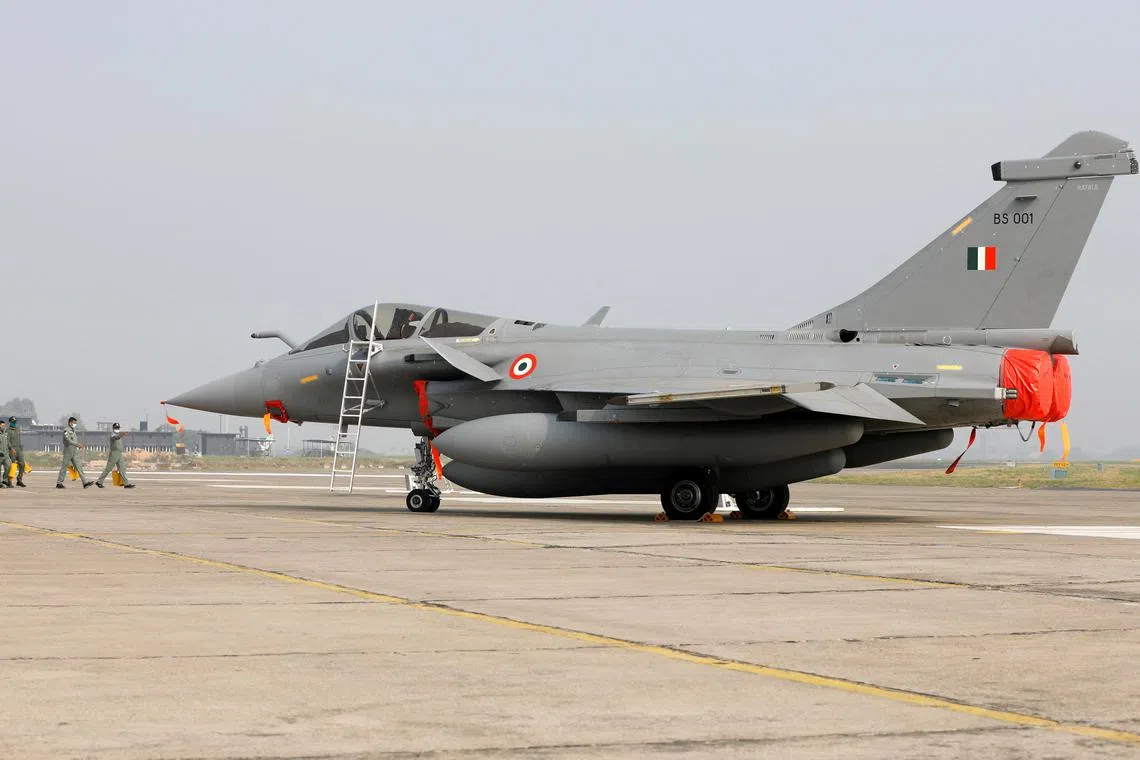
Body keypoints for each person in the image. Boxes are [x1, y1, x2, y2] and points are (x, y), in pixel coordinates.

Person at [56, 417, 93, 489]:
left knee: (79, 467)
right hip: (68, 451)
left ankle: (85, 482)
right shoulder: (66, 430)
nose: (75, 424)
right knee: (64, 467)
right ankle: (59, 483)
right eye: (74, 423)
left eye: (75, 423)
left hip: (74, 451)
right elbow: (68, 440)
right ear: (70, 423)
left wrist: (77, 445)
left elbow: (74, 440)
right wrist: (77, 444)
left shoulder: (73, 431)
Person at [96, 423, 135, 489]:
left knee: (122, 469)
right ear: (113, 428)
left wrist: (121, 435)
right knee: (108, 469)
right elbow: (116, 438)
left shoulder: (118, 434)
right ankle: (99, 482)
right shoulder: (113, 434)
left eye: (118, 428)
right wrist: (121, 435)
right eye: (116, 428)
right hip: (114, 454)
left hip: (119, 454)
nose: (117, 429)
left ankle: (126, 484)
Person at [8, 417, 26, 487]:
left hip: (19, 449)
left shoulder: (17, 430)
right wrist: (11, 448)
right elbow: (7, 441)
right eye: (13, 422)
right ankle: (9, 481)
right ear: (10, 422)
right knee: (12, 466)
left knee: (22, 464)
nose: (14, 423)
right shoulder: (8, 431)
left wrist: (21, 448)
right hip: (12, 450)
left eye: (15, 422)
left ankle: (19, 479)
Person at [0, 419, 12, 488]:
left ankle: (5, 480)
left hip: (6, 455)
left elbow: (8, 443)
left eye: (4, 425)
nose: (3, 427)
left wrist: (11, 448)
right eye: (2, 425)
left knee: (9, 466)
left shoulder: (5, 434)